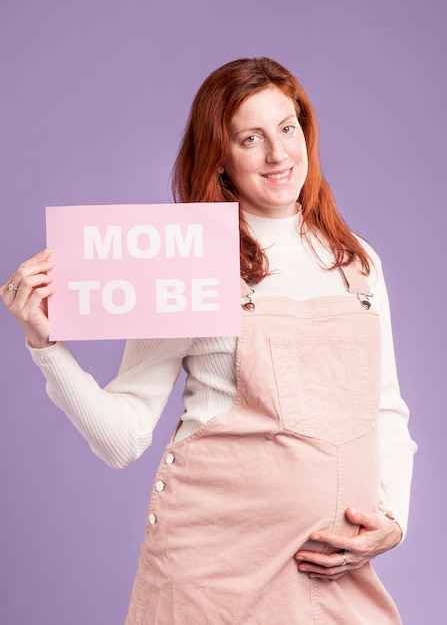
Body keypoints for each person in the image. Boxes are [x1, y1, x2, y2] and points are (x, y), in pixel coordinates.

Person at [1, 57, 416, 624]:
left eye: (287, 127)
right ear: (219, 157)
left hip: (327, 567)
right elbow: (122, 437)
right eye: (251, 138)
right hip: (211, 573)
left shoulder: (356, 261)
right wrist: (46, 346)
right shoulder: (188, 263)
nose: (278, 155)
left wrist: (392, 518)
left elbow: (385, 408)